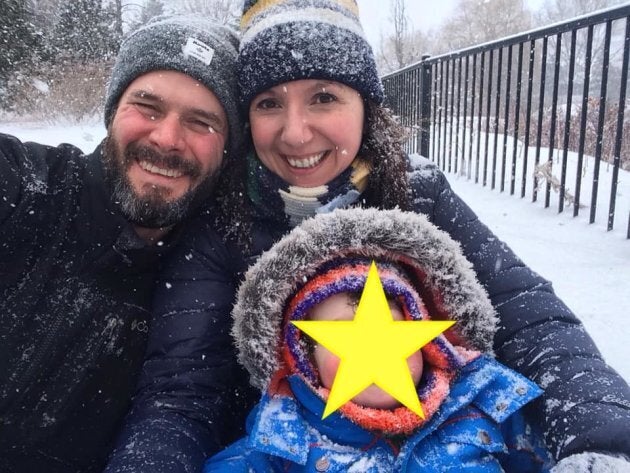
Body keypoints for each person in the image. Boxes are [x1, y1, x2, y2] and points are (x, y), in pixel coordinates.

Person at [109, 1, 630, 472]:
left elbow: (529, 316)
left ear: (366, 106)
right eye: (269, 103)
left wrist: (599, 436)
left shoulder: (419, 194)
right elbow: (180, 394)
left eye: (324, 97)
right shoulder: (224, 221)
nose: (294, 132)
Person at [0, 16, 243, 473]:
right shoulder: (26, 188)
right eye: (148, 107)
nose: (167, 139)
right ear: (112, 112)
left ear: (229, 149)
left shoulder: (210, 283)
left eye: (201, 122)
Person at [204, 207, 553, 472]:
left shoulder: (483, 399)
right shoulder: (281, 440)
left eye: (391, 323)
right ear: (306, 362)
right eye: (342, 333)